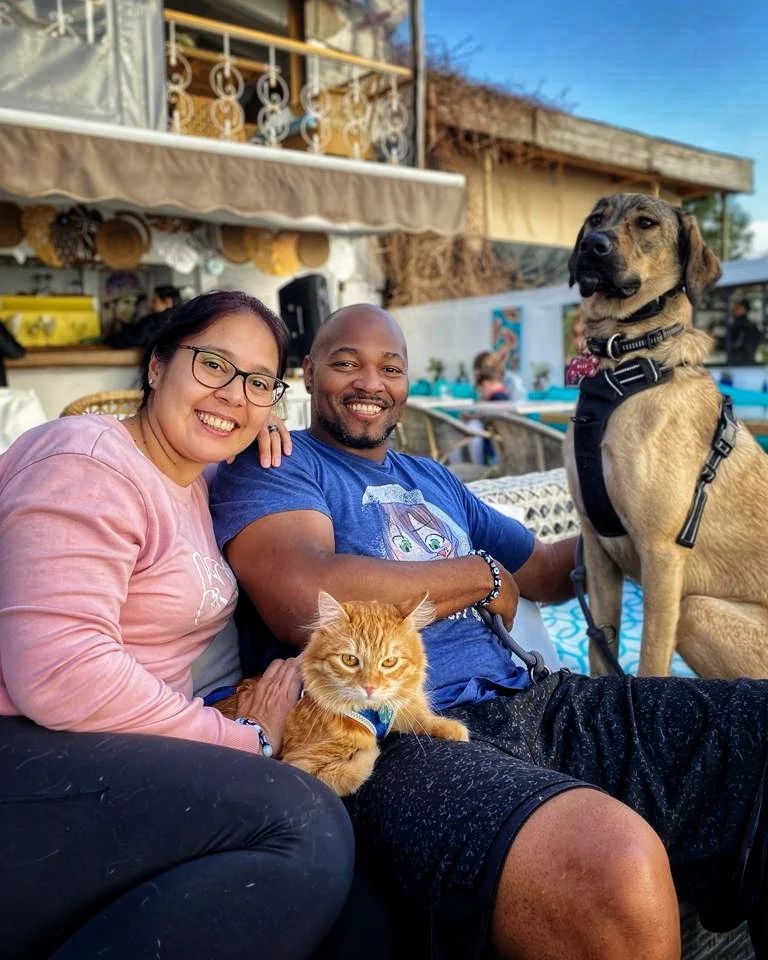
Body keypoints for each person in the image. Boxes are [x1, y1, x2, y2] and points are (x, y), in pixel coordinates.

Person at [211, 303, 768, 960]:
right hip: (402, 739)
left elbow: (546, 571)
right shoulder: (282, 463)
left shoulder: (432, 478)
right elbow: (304, 596)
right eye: (345, 363)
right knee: (608, 866)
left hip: (537, 701)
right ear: (308, 372)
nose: (371, 383)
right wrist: (478, 574)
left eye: (390, 367)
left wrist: (653, 519)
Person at [0, 290, 371, 960]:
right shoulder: (83, 459)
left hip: (109, 747)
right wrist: (244, 737)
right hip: (26, 749)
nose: (233, 394)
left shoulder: (196, 478)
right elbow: (58, 672)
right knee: (304, 827)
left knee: (362, 878)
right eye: (212, 366)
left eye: (257, 382)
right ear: (156, 366)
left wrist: (258, 434)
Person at [727, 298, 762, 365]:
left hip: (741, 364)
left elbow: (735, 343)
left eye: (737, 308)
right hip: (746, 363)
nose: (733, 310)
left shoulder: (743, 326)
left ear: (744, 310)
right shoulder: (749, 326)